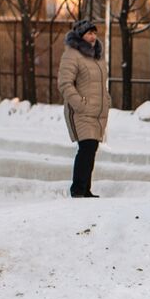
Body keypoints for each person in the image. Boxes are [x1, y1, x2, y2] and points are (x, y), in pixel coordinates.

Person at [57, 19, 111, 198]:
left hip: (97, 112)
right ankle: (78, 189)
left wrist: (107, 101)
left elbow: (100, 84)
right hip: (81, 111)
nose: (93, 36)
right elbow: (65, 84)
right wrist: (79, 103)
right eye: (89, 33)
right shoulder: (72, 55)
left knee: (91, 149)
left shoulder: (97, 56)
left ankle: (85, 189)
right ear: (81, 35)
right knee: (86, 147)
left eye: (94, 33)